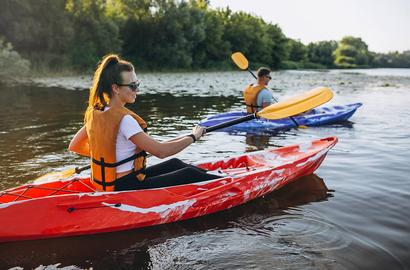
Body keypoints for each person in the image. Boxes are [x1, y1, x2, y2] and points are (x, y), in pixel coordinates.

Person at [68, 54, 220, 191]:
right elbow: (161, 152)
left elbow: (74, 145)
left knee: (175, 163)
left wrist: (111, 156)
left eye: (137, 85)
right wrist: (194, 137)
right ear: (115, 88)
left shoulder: (97, 114)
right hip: (126, 185)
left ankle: (221, 177)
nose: (137, 90)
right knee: (188, 173)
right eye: (133, 86)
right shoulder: (125, 120)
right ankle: (228, 184)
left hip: (111, 182)